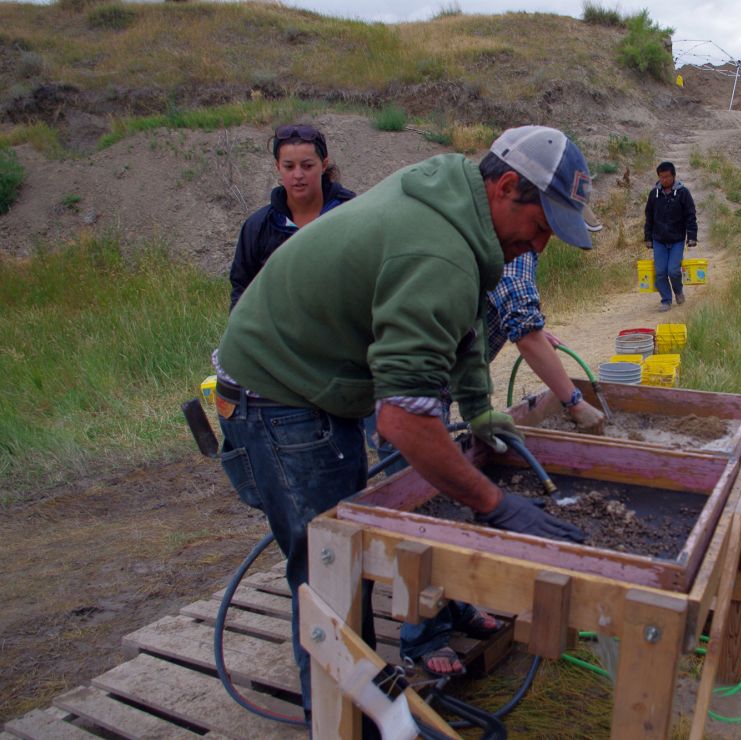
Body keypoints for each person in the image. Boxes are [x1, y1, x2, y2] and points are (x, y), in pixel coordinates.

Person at [212, 124, 592, 727]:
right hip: (277, 391)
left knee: (342, 559)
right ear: (507, 187)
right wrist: (495, 504)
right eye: (542, 226)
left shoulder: (456, 209)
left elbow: (463, 329)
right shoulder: (436, 249)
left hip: (313, 382)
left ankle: (362, 706)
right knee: (329, 574)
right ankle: (343, 723)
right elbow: (402, 423)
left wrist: (477, 409)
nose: (540, 246)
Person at [398, 247, 608, 676]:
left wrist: (532, 335)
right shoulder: (515, 247)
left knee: (448, 492)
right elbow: (525, 333)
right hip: (406, 382)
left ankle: (454, 606)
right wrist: (574, 402)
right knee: (422, 506)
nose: (547, 237)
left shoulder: (508, 242)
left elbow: (510, 322)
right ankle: (424, 637)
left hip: (442, 376)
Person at [228, 123, 355, 311]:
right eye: (289, 166)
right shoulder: (258, 226)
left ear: (323, 165)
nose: (298, 175)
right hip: (276, 337)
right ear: (277, 167)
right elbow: (241, 290)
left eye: (307, 165)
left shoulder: (352, 215)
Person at [643, 161, 697, 312]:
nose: (664, 180)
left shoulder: (683, 193)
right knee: (660, 272)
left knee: (673, 270)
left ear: (673, 176)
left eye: (667, 177)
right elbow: (649, 217)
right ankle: (666, 300)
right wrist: (648, 237)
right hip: (659, 239)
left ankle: (678, 292)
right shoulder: (654, 194)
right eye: (661, 177)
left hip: (677, 239)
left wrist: (692, 236)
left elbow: (690, 215)